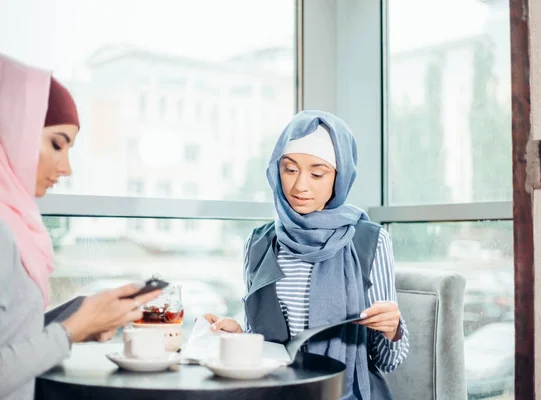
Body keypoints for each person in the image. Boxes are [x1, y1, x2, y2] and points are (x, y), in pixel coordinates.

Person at [204, 110, 409, 399]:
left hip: (344, 392)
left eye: (317, 173)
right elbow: (264, 344)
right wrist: (238, 335)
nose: (300, 185)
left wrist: (391, 329)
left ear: (340, 176)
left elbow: (390, 361)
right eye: (289, 170)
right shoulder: (260, 242)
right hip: (274, 391)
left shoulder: (370, 239)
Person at [0, 54, 162, 400]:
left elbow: (10, 337)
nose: (66, 167)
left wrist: (83, 318)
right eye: (57, 144)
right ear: (10, 128)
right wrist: (73, 330)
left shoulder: (15, 220)